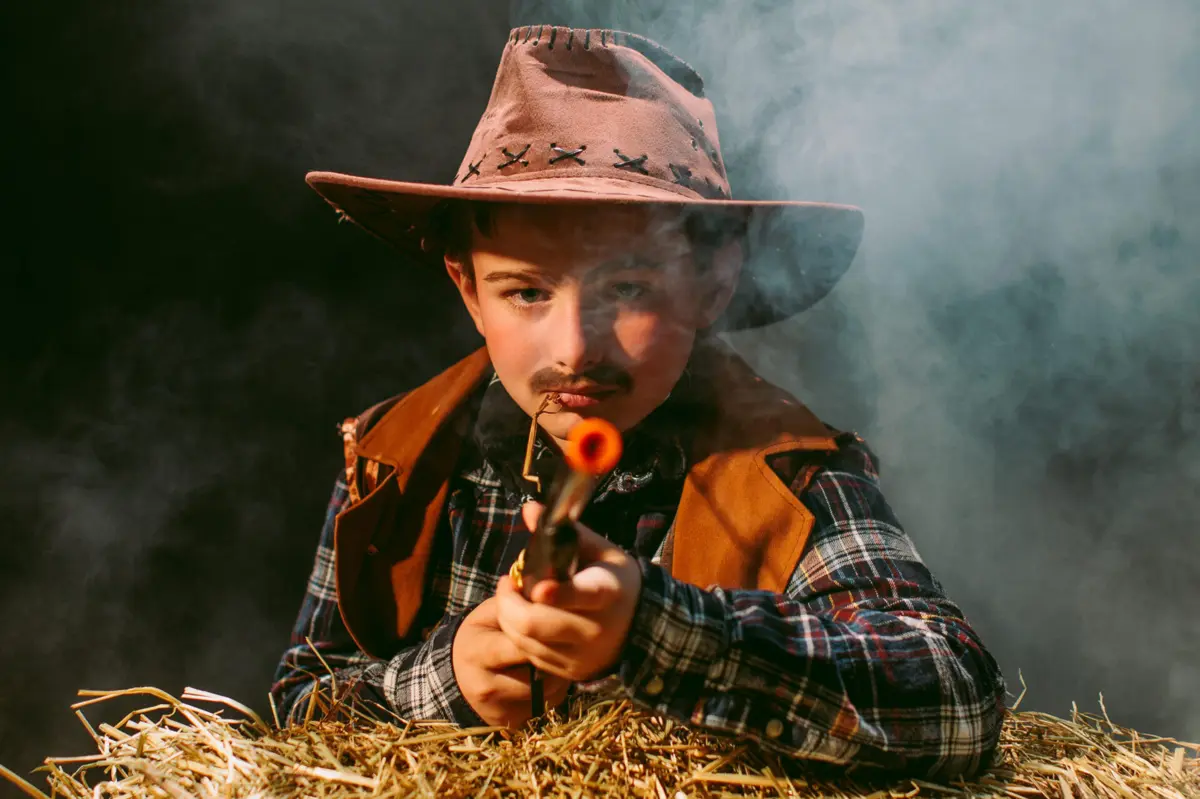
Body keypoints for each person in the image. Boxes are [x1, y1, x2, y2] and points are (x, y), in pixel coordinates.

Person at [271, 25, 1006, 779]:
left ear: (712, 285)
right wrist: (447, 678)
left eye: (627, 289)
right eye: (526, 291)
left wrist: (656, 629)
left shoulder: (792, 472)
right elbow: (297, 711)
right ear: (467, 287)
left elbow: (957, 701)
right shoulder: (396, 452)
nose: (575, 351)